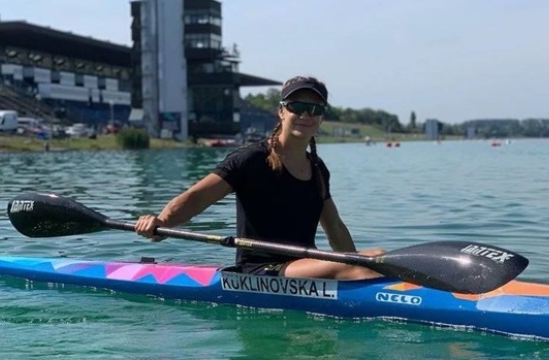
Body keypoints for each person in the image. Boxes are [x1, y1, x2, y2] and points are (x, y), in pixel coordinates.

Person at [135, 76, 385, 280]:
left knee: (379, 259)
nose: (306, 115)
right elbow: (196, 198)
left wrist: (357, 265)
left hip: (303, 267)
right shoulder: (251, 160)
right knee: (369, 262)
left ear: (320, 117)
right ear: (282, 112)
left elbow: (335, 228)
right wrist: (161, 224)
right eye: (297, 106)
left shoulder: (318, 169)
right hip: (259, 271)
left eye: (315, 109)